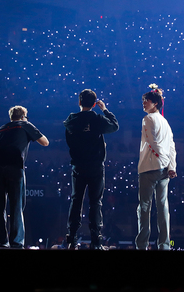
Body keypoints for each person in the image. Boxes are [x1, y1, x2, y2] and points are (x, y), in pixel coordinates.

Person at [63, 89, 119, 249]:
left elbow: (69, 142)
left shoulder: (72, 121)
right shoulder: (97, 118)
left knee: (76, 201)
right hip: (95, 166)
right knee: (95, 203)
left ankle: (72, 240)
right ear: (94, 104)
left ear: (79, 102)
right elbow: (115, 126)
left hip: (78, 166)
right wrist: (105, 110)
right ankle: (96, 242)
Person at [0, 105, 49, 248]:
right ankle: (16, 242)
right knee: (16, 206)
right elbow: (45, 142)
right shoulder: (24, 125)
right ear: (23, 116)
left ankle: (2, 242)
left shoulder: (0, 130)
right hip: (14, 167)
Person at [136, 85, 177, 250]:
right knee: (163, 207)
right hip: (164, 169)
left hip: (149, 167)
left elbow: (152, 142)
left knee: (144, 207)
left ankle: (142, 244)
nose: (144, 103)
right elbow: (172, 145)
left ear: (155, 103)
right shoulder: (165, 122)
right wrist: (171, 165)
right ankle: (164, 245)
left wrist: (163, 160)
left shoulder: (147, 119)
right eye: (144, 100)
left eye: (147, 100)